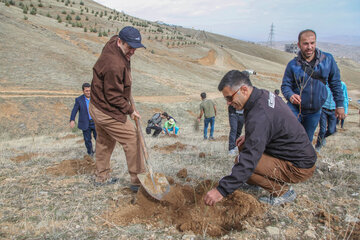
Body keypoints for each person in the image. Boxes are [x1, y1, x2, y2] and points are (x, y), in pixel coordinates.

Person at [204, 70, 317, 206]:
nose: (228, 103)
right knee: (243, 148)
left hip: (298, 167)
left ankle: (283, 192)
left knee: (245, 166)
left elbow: (249, 161)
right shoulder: (262, 95)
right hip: (294, 154)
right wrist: (252, 135)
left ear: (244, 90)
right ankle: (256, 182)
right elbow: (272, 121)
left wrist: (221, 190)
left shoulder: (259, 115)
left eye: (229, 98)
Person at [89, 26, 146, 190]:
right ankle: (138, 181)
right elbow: (113, 96)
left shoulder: (114, 42)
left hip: (96, 104)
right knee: (133, 138)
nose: (132, 52)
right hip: (106, 110)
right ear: (120, 42)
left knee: (105, 141)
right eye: (130, 48)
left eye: (135, 48)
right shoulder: (114, 64)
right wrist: (130, 110)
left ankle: (101, 177)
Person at [281, 29, 344, 142]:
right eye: (305, 43)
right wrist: (290, 95)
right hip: (294, 109)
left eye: (312, 43)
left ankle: (302, 160)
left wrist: (340, 105)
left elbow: (335, 83)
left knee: (306, 141)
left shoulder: (328, 60)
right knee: (288, 137)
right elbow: (285, 85)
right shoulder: (292, 65)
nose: (309, 47)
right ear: (299, 45)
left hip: (314, 111)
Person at [70, 83, 97, 156]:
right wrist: (72, 120)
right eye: (87, 91)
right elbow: (74, 110)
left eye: (90, 90)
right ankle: (90, 153)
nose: (88, 92)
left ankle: (98, 152)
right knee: (87, 140)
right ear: (83, 91)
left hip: (95, 123)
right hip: (85, 123)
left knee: (99, 139)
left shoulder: (96, 98)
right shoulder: (79, 100)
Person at [315, 85, 337, 152]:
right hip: (323, 110)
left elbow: (344, 97)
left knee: (332, 130)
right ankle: (318, 146)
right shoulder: (324, 85)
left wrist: (345, 110)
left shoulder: (341, 85)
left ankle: (323, 137)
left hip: (333, 111)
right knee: (322, 130)